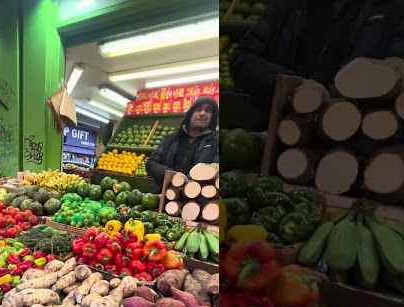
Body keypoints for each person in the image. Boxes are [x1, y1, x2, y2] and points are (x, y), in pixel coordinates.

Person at [229, 0, 404, 131]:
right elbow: (242, 58)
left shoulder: (392, 10)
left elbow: (393, 74)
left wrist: (323, 97)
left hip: (346, 143)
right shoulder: (287, 6)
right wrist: (291, 86)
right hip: (266, 133)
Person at [145, 97, 219, 194]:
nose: (202, 113)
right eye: (198, 109)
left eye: (208, 110)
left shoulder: (216, 143)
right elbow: (150, 163)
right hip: (161, 196)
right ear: (190, 114)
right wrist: (171, 175)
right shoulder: (170, 139)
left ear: (212, 117)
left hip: (196, 202)